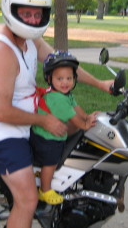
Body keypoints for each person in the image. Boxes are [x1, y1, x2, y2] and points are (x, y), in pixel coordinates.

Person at [0, 0, 113, 228]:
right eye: (26, 13)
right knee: (27, 199)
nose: (33, 20)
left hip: (28, 120)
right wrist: (44, 120)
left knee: (83, 131)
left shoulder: (30, 40)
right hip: (2, 132)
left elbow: (64, 67)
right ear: (10, 9)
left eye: (38, 14)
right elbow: (2, 112)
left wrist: (101, 84)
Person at [31, 51, 99, 205]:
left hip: (51, 133)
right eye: (59, 78)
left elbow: (76, 108)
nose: (65, 82)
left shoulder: (65, 94)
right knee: (51, 162)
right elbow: (73, 119)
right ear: (49, 79)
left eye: (69, 78)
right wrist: (85, 124)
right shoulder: (56, 98)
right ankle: (45, 190)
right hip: (46, 138)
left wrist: (87, 117)